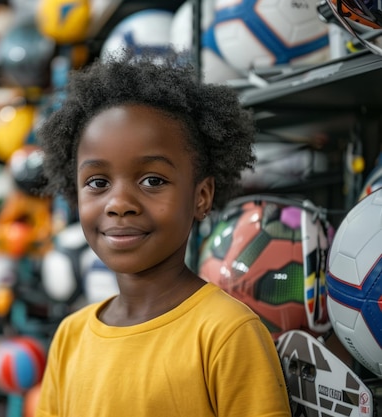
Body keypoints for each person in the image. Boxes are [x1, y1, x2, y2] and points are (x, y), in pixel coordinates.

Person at [34, 49, 292, 417]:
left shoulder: (226, 333)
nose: (118, 203)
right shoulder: (70, 336)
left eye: (152, 180)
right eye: (97, 182)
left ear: (201, 197)